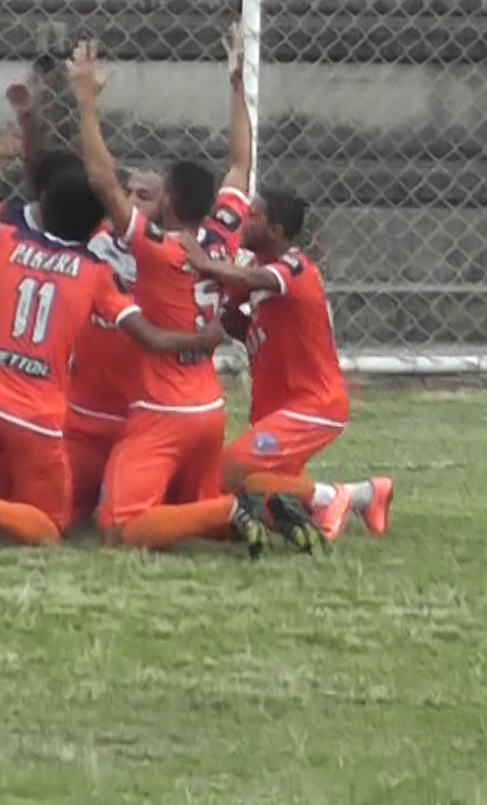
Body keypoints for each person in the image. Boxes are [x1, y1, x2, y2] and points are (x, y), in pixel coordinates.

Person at [0, 172, 261, 553]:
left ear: (43, 210)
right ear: (96, 223)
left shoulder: (4, 240)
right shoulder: (94, 272)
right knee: (51, 525)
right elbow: (151, 338)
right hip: (37, 416)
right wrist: (204, 339)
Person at [69, 30, 321, 552]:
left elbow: (102, 180)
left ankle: (235, 509)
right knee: (180, 506)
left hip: (163, 409)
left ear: (166, 203)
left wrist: (87, 103)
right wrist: (236, 86)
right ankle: (270, 508)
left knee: (117, 525)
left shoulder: (158, 250)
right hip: (208, 408)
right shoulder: (223, 235)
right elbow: (240, 163)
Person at [182, 187, 393, 544]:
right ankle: (367, 494)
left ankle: (334, 497)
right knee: (255, 491)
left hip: (313, 405)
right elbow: (236, 312)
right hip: (278, 409)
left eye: (253, 217)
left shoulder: (295, 268)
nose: (244, 222)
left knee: (226, 474)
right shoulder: (256, 270)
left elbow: (256, 280)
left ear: (275, 231)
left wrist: (204, 262)